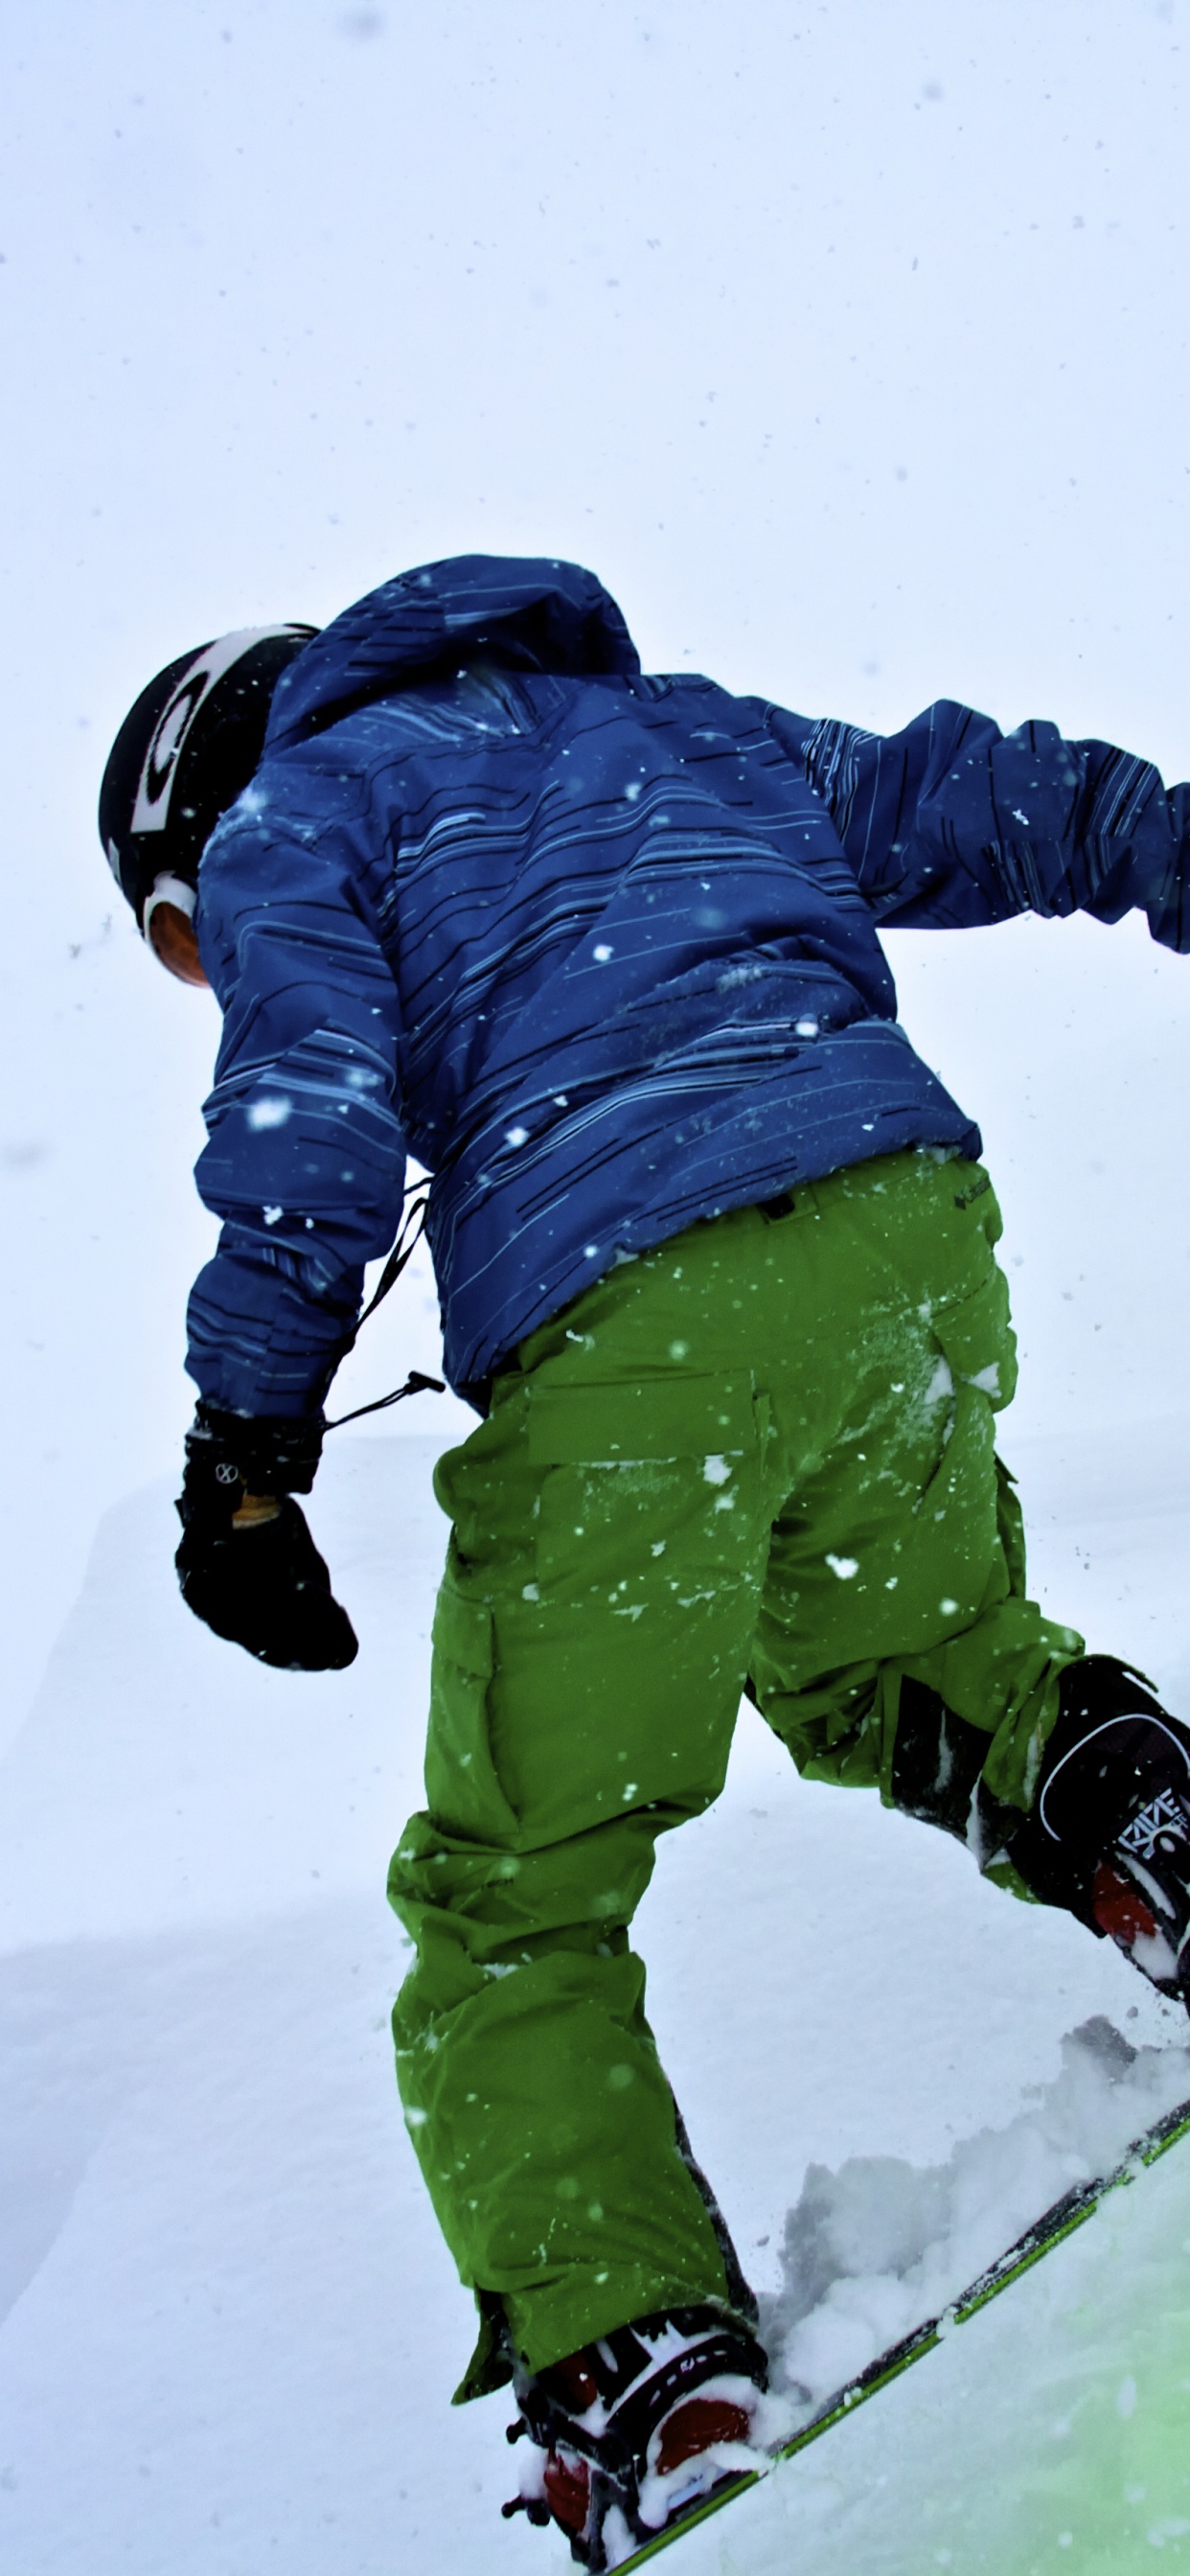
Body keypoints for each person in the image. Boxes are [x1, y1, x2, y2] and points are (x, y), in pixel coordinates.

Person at [100, 556, 1190, 2571]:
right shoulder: (677, 726)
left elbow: (313, 1117)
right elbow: (994, 801)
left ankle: (638, 2365)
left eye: (183, 941)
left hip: (627, 1317)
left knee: (517, 1896)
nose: (209, 962)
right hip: (893, 1227)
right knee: (922, 1662)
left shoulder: (294, 811)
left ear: (200, 811)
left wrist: (243, 1459)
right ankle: (1163, 1839)